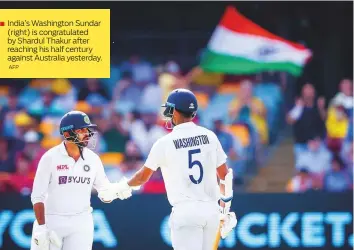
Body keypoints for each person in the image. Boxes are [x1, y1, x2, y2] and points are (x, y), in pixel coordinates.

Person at [98, 89, 237, 250]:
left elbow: (142, 177)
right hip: (211, 211)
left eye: (170, 111)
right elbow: (225, 177)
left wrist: (118, 188)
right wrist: (225, 210)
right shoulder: (209, 136)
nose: (168, 115)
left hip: (185, 213)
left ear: (177, 112)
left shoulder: (164, 143)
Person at [30, 111, 111, 250]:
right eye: (82, 130)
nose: (87, 134)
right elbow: (37, 197)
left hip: (81, 221)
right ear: (67, 134)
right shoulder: (50, 158)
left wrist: (120, 189)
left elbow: (105, 192)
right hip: (52, 220)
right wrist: (42, 228)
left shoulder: (93, 159)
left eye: (88, 130)